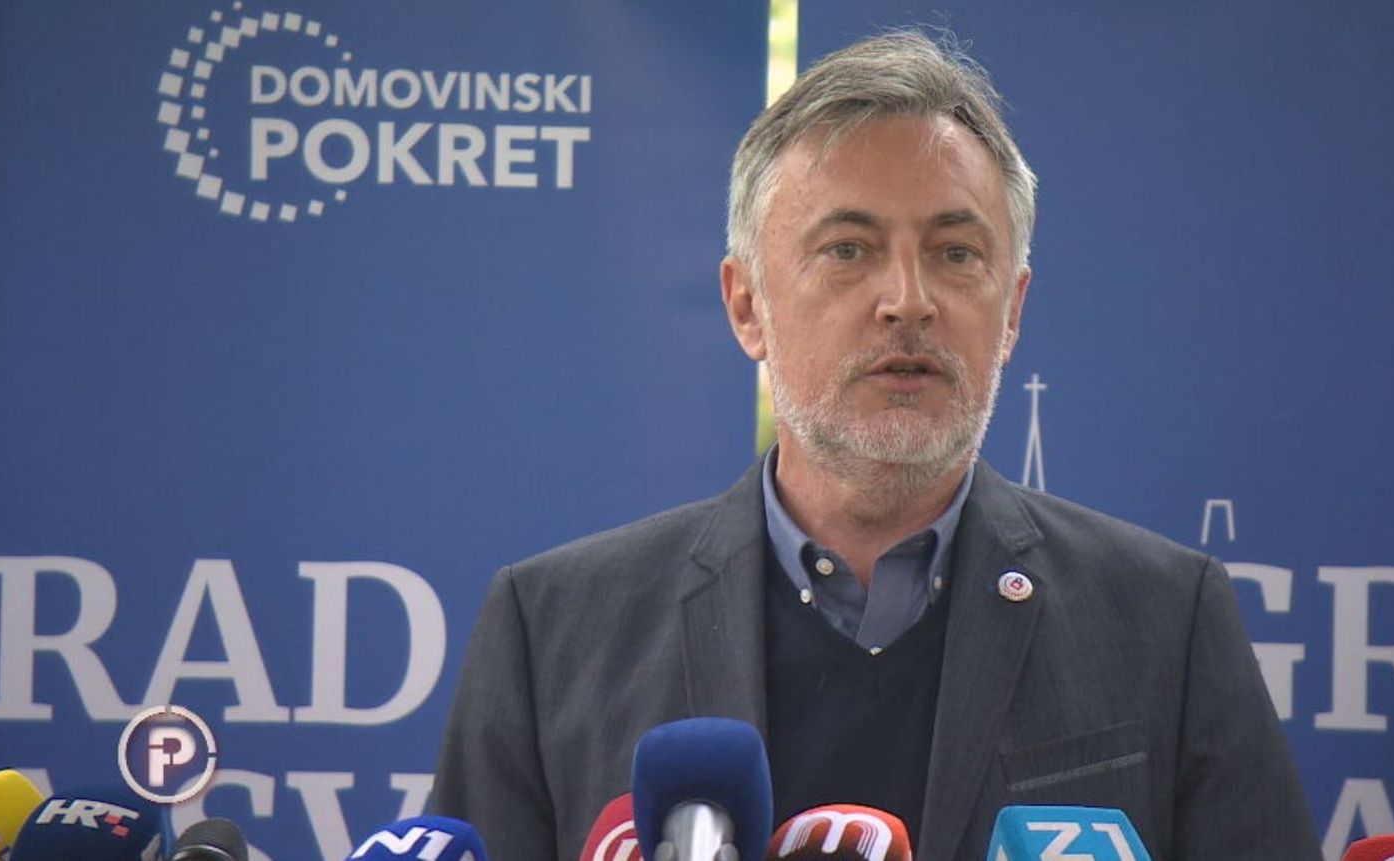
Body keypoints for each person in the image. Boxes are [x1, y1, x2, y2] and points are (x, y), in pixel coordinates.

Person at [431, 29, 1321, 861]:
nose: (908, 300)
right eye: (848, 249)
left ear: (1013, 309)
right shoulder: (550, 631)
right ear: (747, 306)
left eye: (956, 253)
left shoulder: (1166, 622)